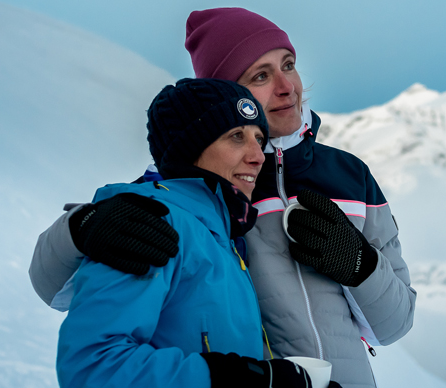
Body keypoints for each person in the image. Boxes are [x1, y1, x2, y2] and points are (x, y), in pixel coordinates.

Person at [31, 8, 416, 388]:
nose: (287, 87)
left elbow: (395, 325)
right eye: (261, 75)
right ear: (225, 94)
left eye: (289, 64)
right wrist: (82, 227)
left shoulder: (350, 177)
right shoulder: (195, 192)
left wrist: (359, 265)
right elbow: (59, 289)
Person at [55, 78, 313, 388]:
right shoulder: (151, 222)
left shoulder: (225, 241)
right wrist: (229, 378)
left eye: (259, 139)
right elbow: (92, 365)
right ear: (190, 149)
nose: (258, 155)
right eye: (236, 136)